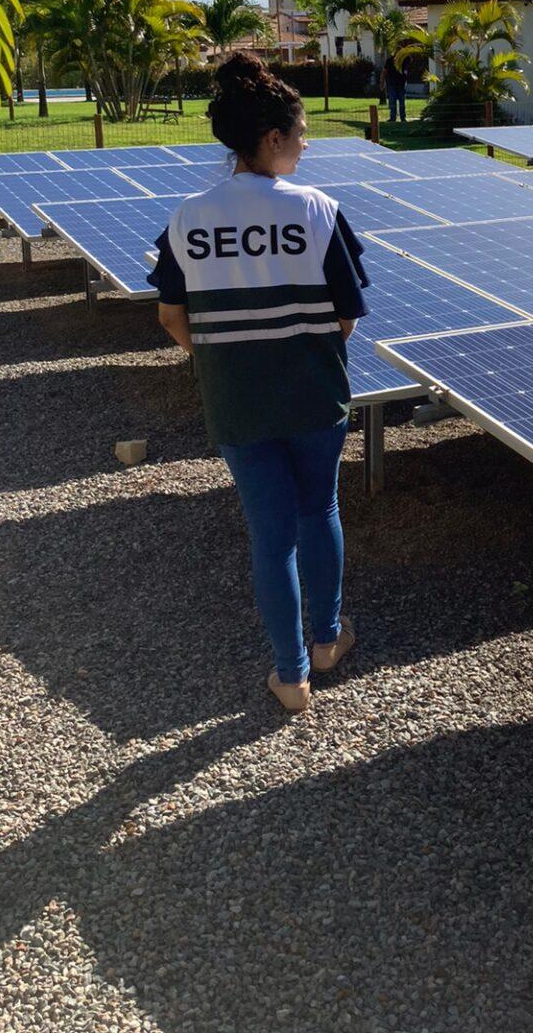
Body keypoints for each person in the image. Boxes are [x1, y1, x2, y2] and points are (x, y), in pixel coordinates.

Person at [149, 53, 369, 713]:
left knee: (270, 538)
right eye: (301, 134)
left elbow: (170, 315)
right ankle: (328, 640)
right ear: (272, 138)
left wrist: (219, 357)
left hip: (236, 402)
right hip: (312, 395)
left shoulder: (188, 217)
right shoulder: (319, 210)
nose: (306, 145)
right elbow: (346, 316)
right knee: (319, 511)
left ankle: (291, 675)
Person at [383, 53, 407, 123]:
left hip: (401, 84)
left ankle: (403, 118)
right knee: (392, 102)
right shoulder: (389, 61)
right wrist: (382, 81)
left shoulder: (404, 60)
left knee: (402, 102)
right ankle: (393, 118)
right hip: (392, 84)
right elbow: (385, 71)